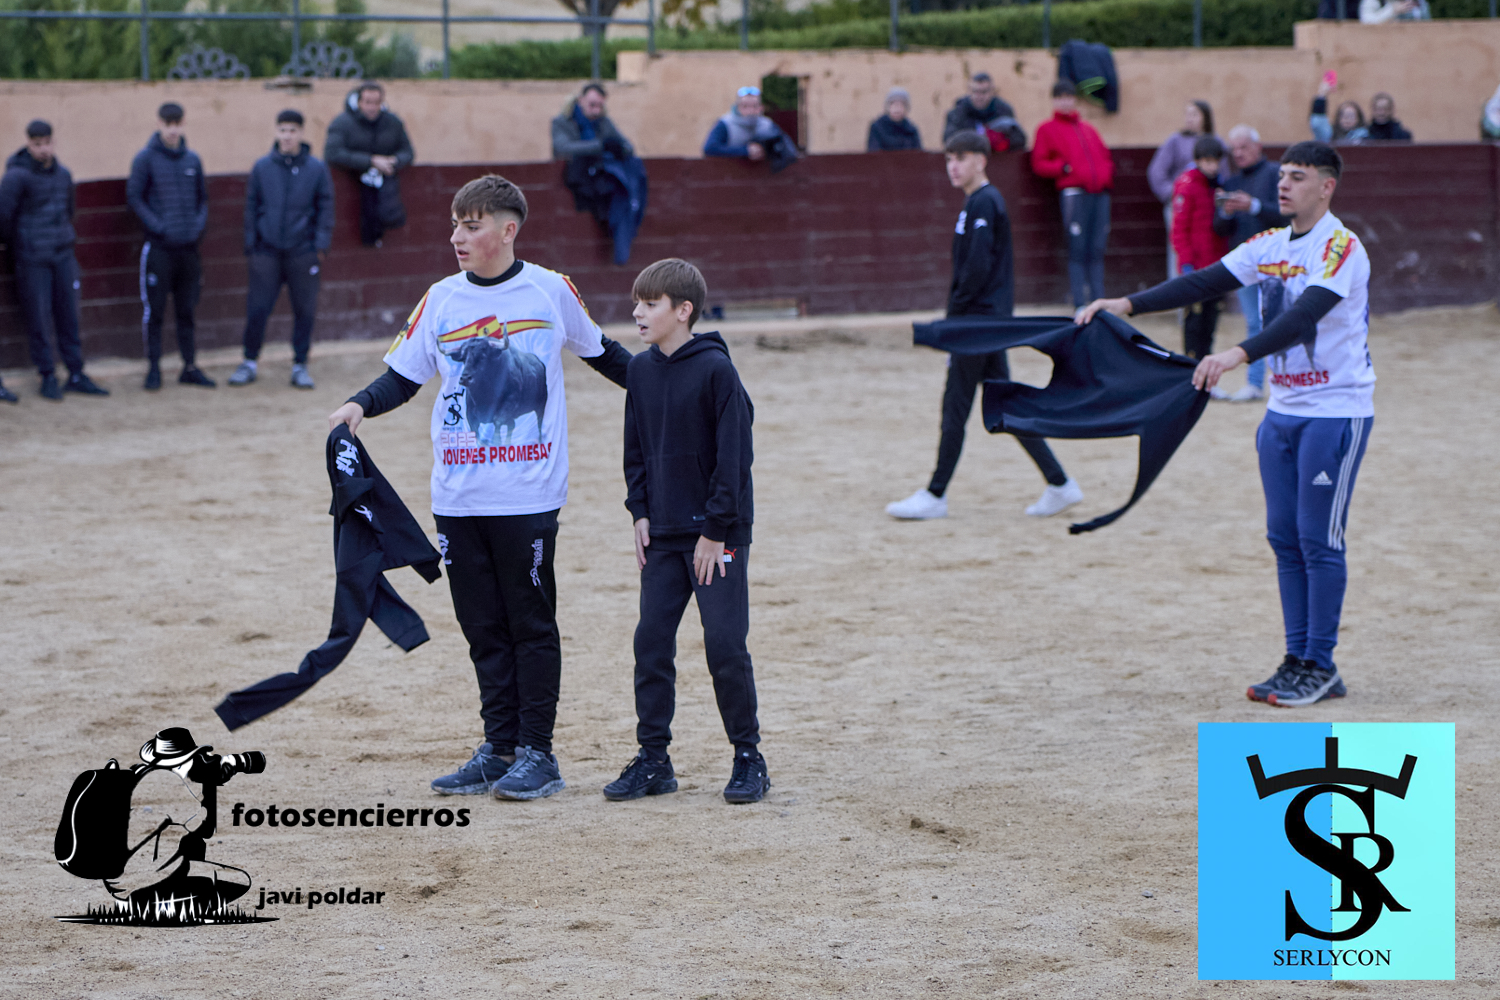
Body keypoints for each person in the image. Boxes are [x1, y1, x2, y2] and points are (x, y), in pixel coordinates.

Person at [327, 175, 634, 801]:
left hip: (528, 493)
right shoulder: (440, 298)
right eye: (455, 225)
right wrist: (359, 405)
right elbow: (403, 377)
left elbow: (607, 356)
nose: (457, 237)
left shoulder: (550, 290)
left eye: (471, 226)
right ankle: (499, 749)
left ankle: (539, 752)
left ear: (507, 230)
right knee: (482, 626)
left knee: (530, 622)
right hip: (457, 496)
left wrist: (681, 383)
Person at [1076, 141, 1373, 707]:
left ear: (1326, 186)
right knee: (1284, 537)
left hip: (1335, 411)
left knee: (1318, 539)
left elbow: (1304, 316)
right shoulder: (1269, 243)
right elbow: (1203, 282)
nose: (1283, 184)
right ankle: (1297, 659)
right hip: (1283, 412)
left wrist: (1237, 354)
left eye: (1298, 177)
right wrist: (1126, 304)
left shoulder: (1341, 247)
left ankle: (1321, 663)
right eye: (1282, 175)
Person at [605, 257, 768, 806]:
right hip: (663, 534)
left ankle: (748, 757)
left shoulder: (717, 371)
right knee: (650, 642)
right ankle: (654, 760)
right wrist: (639, 511)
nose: (637, 313)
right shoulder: (640, 371)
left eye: (649, 304)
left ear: (683, 310)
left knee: (724, 644)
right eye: (636, 303)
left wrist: (716, 531)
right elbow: (634, 448)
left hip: (715, 537)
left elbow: (735, 458)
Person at [886, 131, 1082, 522]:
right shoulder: (977, 203)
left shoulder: (984, 202)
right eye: (948, 159)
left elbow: (975, 271)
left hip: (977, 324)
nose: (953, 166)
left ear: (981, 160)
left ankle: (936, 493)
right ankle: (1060, 483)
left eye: (960, 158)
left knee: (955, 406)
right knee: (1005, 405)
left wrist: (952, 326)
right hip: (984, 322)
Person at [0, 120, 108, 400]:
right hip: (32, 258)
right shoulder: (16, 177)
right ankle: (47, 375)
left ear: (53, 142)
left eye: (47, 143)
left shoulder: (63, 174)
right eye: (37, 144)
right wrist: (22, 246)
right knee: (39, 318)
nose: (43, 149)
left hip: (62, 254)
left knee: (68, 315)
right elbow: (4, 218)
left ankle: (75, 372)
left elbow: (69, 210)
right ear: (29, 144)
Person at [229, 110, 334, 390]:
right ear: (276, 132)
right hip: (266, 251)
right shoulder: (262, 167)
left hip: (303, 251)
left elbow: (326, 207)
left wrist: (320, 245)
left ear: (301, 133)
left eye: (292, 131)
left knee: (305, 310)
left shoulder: (316, 168)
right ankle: (249, 361)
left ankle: (300, 364)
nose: (287, 136)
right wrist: (251, 245)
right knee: (257, 308)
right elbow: (251, 206)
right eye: (283, 130)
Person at [127, 102, 214, 391]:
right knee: (155, 311)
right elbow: (135, 197)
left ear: (183, 124)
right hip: (160, 249)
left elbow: (202, 199)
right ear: (159, 125)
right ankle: (154, 368)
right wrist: (159, 227)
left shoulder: (192, 159)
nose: (173, 130)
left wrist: (196, 227)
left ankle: (189, 366)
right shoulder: (145, 159)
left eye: (177, 124)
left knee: (187, 310)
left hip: (188, 249)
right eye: (168, 124)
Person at [1214, 125, 1288, 402]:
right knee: (1255, 323)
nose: (1238, 153)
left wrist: (1254, 206)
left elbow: (1286, 216)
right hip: (1245, 265)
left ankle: (1284, 381)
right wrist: (1226, 211)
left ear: (1258, 147)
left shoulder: (1276, 175)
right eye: (1234, 149)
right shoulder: (1231, 182)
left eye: (1243, 147)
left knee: (1280, 322)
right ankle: (1255, 383)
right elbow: (1220, 229)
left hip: (1278, 263)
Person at [1031, 79, 1115, 308]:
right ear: (1054, 101)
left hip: (1099, 193)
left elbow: (1105, 157)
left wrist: (1105, 176)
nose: (1065, 102)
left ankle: (1098, 302)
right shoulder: (1046, 129)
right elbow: (1039, 164)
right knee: (1077, 249)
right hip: (1074, 194)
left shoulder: (1088, 129)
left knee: (1097, 249)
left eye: (1069, 97)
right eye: (1061, 98)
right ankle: (1080, 303)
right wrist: (1064, 168)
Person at [551, 82, 648, 266]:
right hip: (579, 178)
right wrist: (600, 146)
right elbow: (562, 148)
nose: (596, 110)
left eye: (600, 106)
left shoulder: (604, 122)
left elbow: (627, 146)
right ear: (580, 101)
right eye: (592, 105)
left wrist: (617, 148)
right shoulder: (562, 122)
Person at [324, 80, 414, 248]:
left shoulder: (393, 122)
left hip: (386, 189)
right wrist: (370, 161)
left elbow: (407, 152)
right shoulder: (342, 122)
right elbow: (332, 153)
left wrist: (394, 161)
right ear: (359, 102)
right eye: (368, 102)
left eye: (376, 102)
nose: (372, 107)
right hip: (354, 186)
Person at [1170, 136, 1228, 362]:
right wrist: (1186, 263)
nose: (1212, 166)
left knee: (1210, 322)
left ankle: (1205, 367)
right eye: (1207, 161)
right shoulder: (1187, 185)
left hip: (1215, 263)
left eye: (1216, 161)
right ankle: (1192, 367)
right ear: (1198, 160)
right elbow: (1179, 230)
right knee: (1194, 322)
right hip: (1194, 266)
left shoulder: (1219, 185)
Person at [1148, 100, 1215, 279]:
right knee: (1179, 249)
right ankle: (1178, 291)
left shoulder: (1215, 142)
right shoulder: (1176, 141)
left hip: (1207, 208)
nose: (1189, 119)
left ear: (1206, 117)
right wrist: (1174, 194)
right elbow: (1157, 171)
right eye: (1187, 114)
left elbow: (1223, 174)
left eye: (1194, 114)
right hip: (1181, 206)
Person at [703, 86, 798, 172]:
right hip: (730, 176)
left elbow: (788, 149)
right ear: (738, 107)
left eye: (755, 106)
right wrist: (745, 151)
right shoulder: (726, 124)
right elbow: (710, 148)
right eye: (745, 106)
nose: (751, 111)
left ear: (761, 108)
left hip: (764, 178)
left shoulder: (767, 125)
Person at [942, 72, 1026, 152]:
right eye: (975, 91)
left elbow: (1019, 139)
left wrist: (1000, 142)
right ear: (969, 91)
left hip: (996, 159)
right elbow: (949, 140)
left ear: (992, 91)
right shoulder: (958, 113)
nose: (979, 96)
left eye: (984, 92)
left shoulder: (1003, 110)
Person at [1309, 78, 1369, 145]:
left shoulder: (1366, 137)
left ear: (1359, 119)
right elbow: (1318, 125)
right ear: (1338, 118)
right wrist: (1322, 94)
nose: (1347, 120)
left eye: (1351, 116)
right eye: (1344, 116)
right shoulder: (1330, 136)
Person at [868, 87, 922, 151]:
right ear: (888, 107)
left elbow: (918, 153)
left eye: (901, 105)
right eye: (893, 104)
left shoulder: (911, 130)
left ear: (906, 108)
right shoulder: (877, 128)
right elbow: (873, 153)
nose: (897, 108)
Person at [1359, 0, 1429, 22]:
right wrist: (1392, 11)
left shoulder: (1417, 2)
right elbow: (1366, 21)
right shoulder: (1373, 1)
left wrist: (1417, 12)